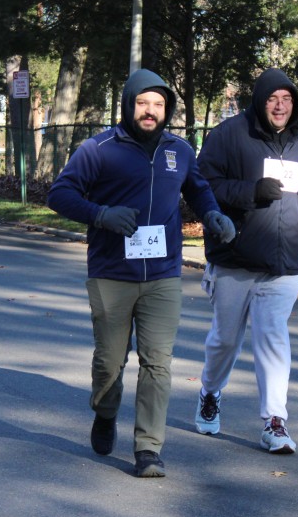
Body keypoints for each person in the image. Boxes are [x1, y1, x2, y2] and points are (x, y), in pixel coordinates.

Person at [47, 69, 236, 478]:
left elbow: (198, 189)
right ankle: (105, 411)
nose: (150, 111)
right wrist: (101, 214)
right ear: (128, 104)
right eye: (142, 103)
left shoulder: (179, 150)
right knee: (109, 362)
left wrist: (212, 214)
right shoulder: (99, 149)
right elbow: (59, 194)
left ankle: (148, 448)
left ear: (167, 110)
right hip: (111, 272)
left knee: (158, 363)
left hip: (163, 274)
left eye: (158, 104)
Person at [193, 68, 298, 455]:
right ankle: (210, 392)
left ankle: (275, 421)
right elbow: (202, 185)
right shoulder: (228, 135)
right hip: (235, 257)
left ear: (295, 103)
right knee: (225, 339)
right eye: (273, 99)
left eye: (287, 99)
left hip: (285, 259)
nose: (279, 106)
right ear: (260, 101)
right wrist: (250, 192)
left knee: (272, 337)